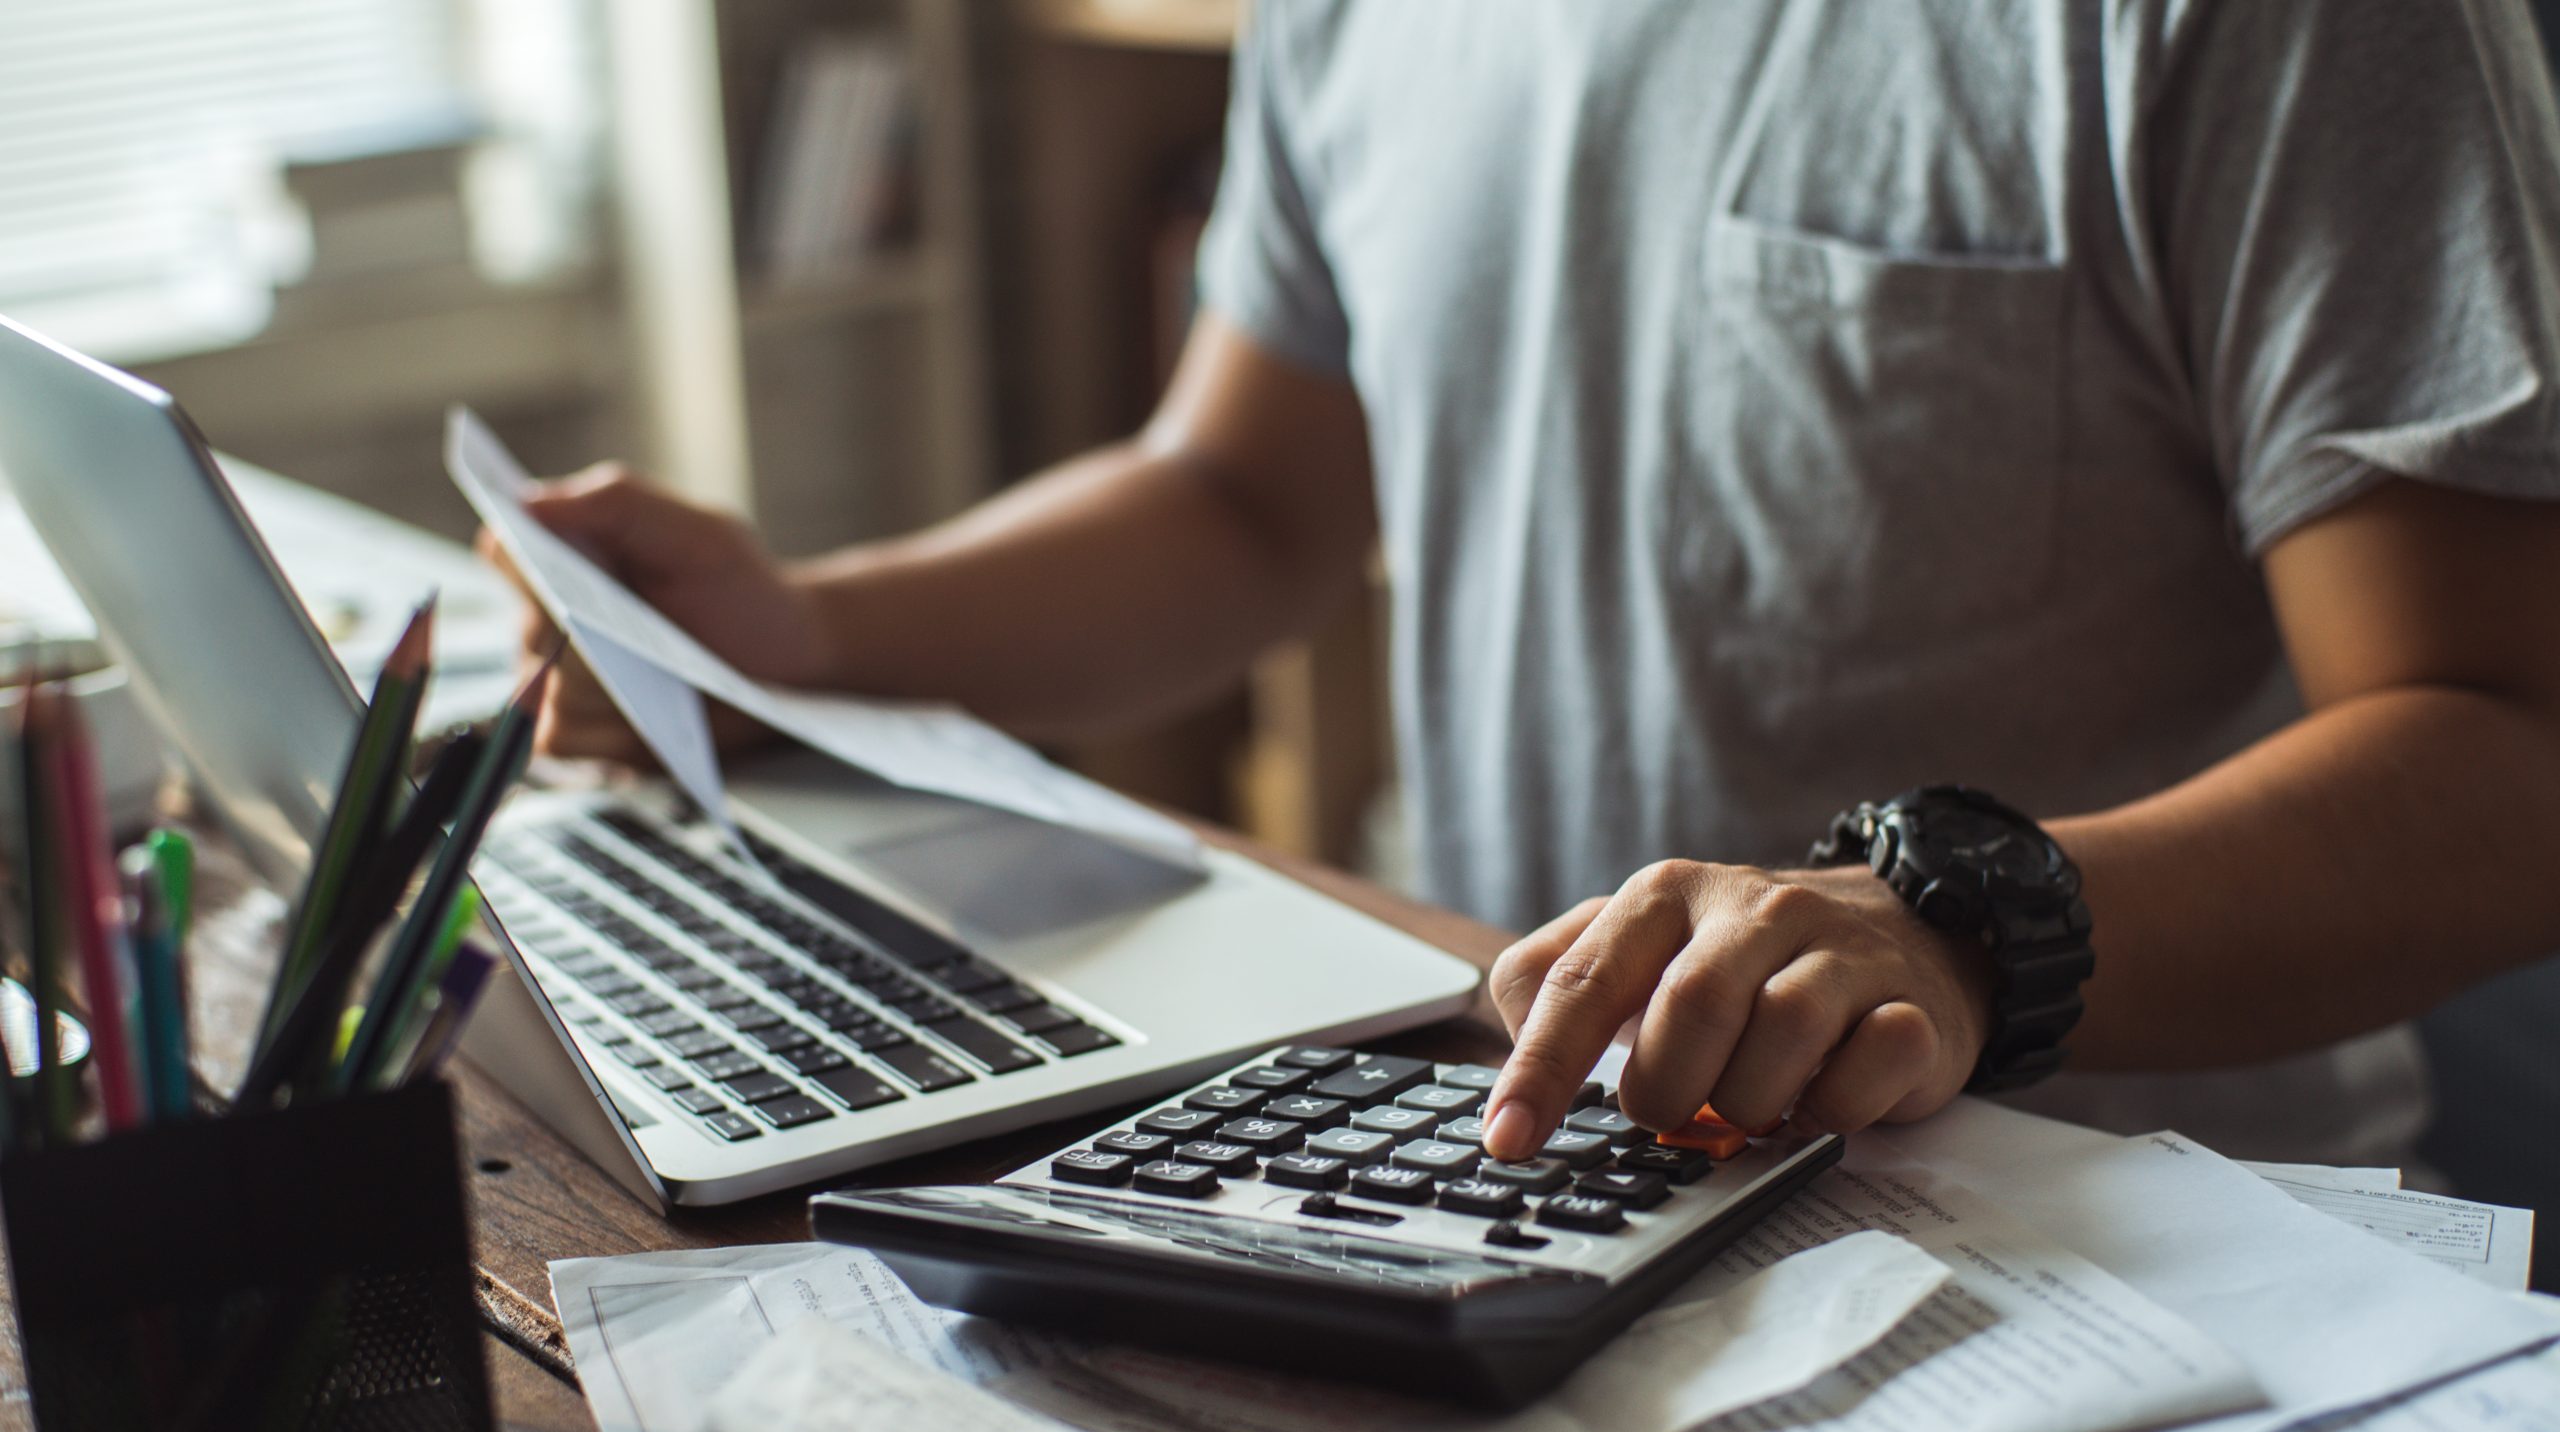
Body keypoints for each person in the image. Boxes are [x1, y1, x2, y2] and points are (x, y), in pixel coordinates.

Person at [496, 0, 2560, 1178]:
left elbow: (2507, 748)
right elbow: (1239, 498)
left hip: (2113, 1265)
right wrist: (812, 633)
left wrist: (1945, 923)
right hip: (1524, 1171)